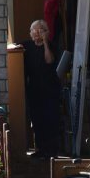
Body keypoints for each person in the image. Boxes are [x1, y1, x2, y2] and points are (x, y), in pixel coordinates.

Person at [22, 19, 61, 158]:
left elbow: (49, 60)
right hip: (34, 89)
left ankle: (52, 151)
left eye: (40, 30)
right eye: (34, 30)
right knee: (37, 120)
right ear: (30, 33)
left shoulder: (51, 46)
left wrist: (45, 42)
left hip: (50, 89)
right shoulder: (26, 46)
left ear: (46, 32)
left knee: (50, 119)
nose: (37, 33)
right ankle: (40, 149)